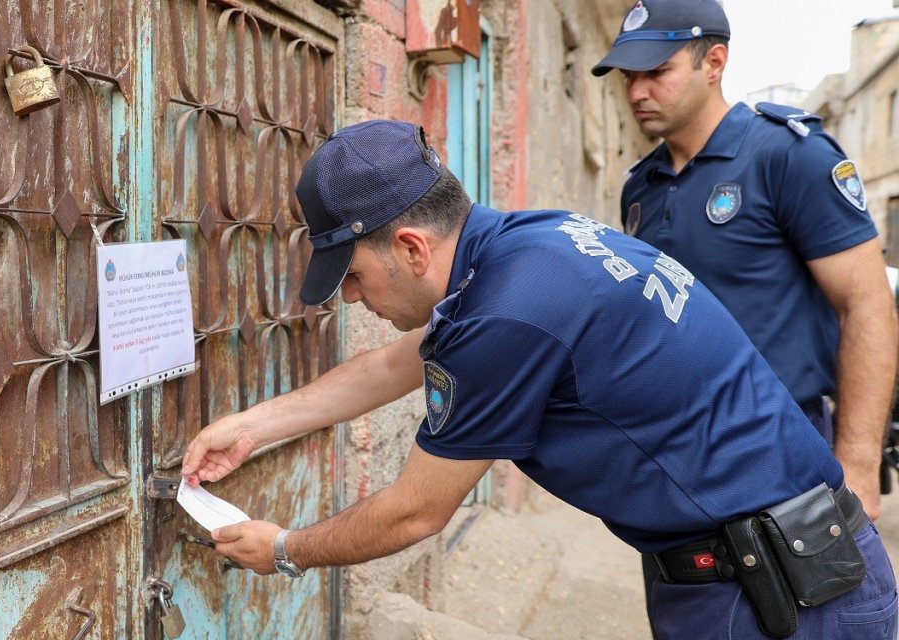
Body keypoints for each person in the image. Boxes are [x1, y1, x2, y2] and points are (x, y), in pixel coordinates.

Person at [180, 119, 897, 639]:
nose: (352, 297)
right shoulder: (530, 243)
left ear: (410, 247)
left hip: (787, 596)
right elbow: (398, 362)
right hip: (763, 568)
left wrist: (284, 550)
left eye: (355, 276)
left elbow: (415, 512)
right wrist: (251, 426)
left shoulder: (509, 315)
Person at [591, 0, 898, 522]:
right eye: (629, 76)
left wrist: (859, 464)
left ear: (713, 62)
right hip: (671, 448)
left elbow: (866, 303)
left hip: (777, 442)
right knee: (680, 604)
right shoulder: (642, 186)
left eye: (657, 72)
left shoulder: (787, 156)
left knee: (788, 604)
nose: (637, 92)